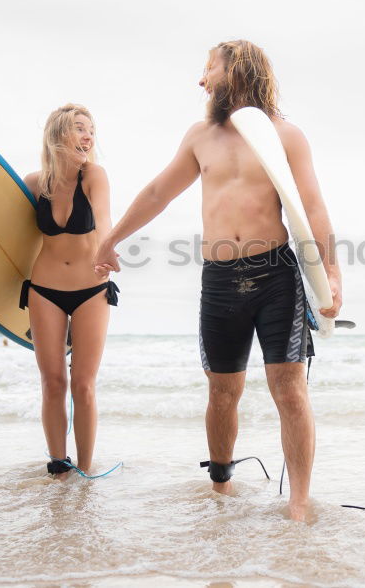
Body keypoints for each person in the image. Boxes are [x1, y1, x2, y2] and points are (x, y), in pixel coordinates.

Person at [93, 40, 341, 522]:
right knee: (223, 391)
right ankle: (220, 489)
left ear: (238, 70)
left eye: (209, 67)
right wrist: (111, 239)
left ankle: (300, 503)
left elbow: (312, 206)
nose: (201, 79)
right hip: (221, 278)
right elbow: (159, 191)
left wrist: (330, 271)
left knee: (289, 390)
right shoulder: (199, 136)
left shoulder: (285, 136)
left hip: (276, 274)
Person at [0, 104, 116, 480]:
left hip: (92, 287)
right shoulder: (33, 184)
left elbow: (104, 218)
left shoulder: (94, 176)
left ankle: (86, 472)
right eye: (79, 128)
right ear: (59, 135)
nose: (88, 135)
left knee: (83, 384)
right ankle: (59, 467)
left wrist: (108, 247)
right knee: (53, 380)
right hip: (44, 290)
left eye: (91, 129)